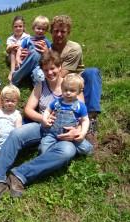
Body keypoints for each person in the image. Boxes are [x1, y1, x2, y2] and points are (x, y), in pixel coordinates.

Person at [0, 50, 88, 208]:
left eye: (53, 68)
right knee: (17, 133)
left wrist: (76, 130)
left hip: (64, 133)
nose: (50, 72)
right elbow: (28, 110)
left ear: (59, 67)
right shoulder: (41, 85)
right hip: (42, 126)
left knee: (67, 152)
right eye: (45, 70)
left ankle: (19, 175)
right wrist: (43, 118)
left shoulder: (71, 85)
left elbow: (83, 115)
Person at [35, 15, 102, 148]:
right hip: (56, 81)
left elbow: (63, 75)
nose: (59, 34)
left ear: (68, 32)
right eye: (55, 31)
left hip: (76, 77)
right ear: (51, 31)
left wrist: (47, 53)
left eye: (63, 31)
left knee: (93, 73)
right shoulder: (47, 45)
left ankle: (90, 119)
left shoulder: (74, 48)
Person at [40, 73, 93, 155]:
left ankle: (71, 148)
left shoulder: (80, 106)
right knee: (43, 149)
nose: (68, 93)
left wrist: (83, 133)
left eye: (72, 90)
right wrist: (45, 119)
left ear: (79, 91)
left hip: (71, 135)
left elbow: (85, 120)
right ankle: (54, 152)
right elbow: (47, 110)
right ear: (62, 88)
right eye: (65, 90)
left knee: (86, 149)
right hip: (53, 134)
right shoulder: (57, 102)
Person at [10, 15, 51, 86]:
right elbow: (20, 49)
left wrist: (47, 52)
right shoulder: (28, 39)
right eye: (38, 28)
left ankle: (40, 88)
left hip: (39, 65)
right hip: (27, 62)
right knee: (20, 70)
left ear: (46, 31)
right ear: (33, 28)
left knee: (39, 76)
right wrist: (17, 58)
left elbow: (50, 52)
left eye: (43, 29)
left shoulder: (45, 41)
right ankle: (13, 82)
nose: (40, 31)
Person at [6, 15, 30, 81]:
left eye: (20, 26)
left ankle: (21, 69)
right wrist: (11, 46)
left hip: (22, 56)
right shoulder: (11, 38)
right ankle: (12, 71)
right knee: (13, 50)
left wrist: (20, 47)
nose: (18, 28)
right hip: (11, 57)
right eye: (16, 27)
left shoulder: (27, 37)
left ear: (23, 27)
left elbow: (29, 48)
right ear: (13, 28)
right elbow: (7, 51)